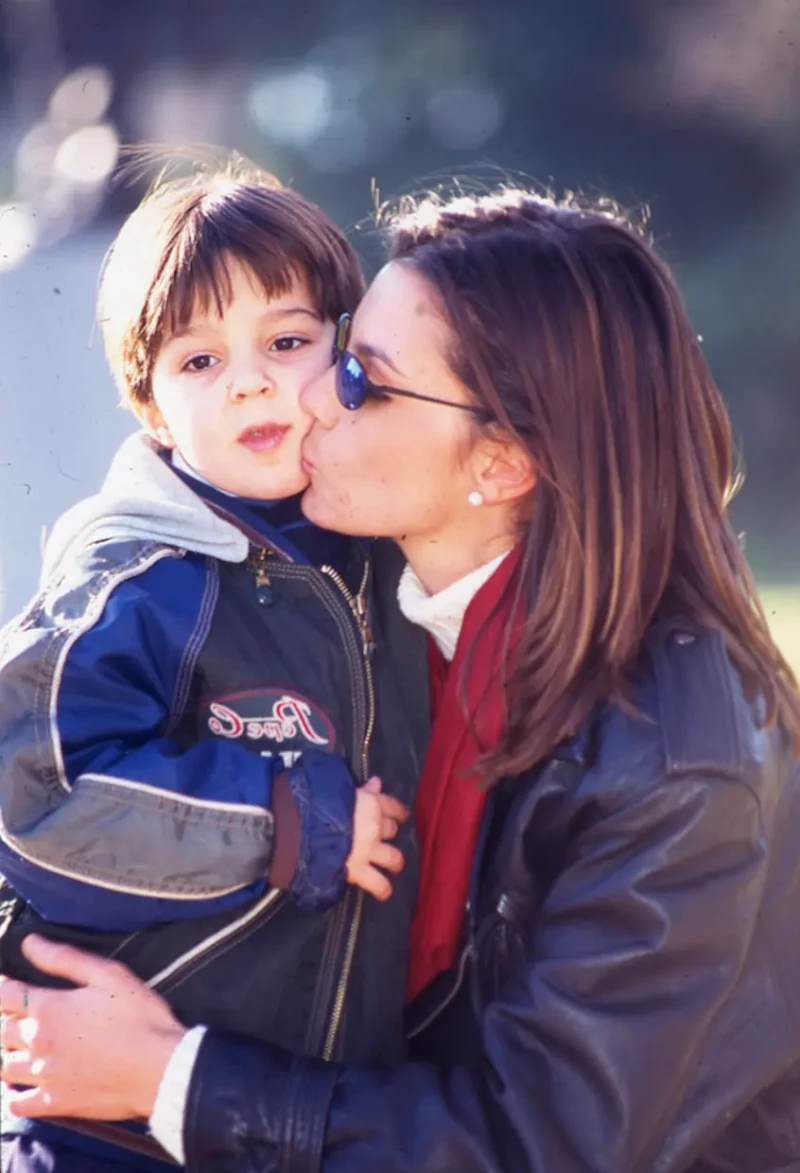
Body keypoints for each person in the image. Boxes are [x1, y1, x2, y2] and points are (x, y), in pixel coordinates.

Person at [3, 185, 800, 1173]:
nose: (301, 398)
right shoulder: (385, 619)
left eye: (357, 378)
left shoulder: (671, 757)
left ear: (501, 462)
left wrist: (169, 1079)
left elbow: (540, 1144)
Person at [0, 163, 429, 1171]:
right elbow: (32, 797)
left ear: (348, 353)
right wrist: (282, 821)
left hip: (308, 1115)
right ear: (148, 405)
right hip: (111, 1128)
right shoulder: (135, 576)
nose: (250, 381)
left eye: (286, 343)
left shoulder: (386, 554)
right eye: (199, 361)